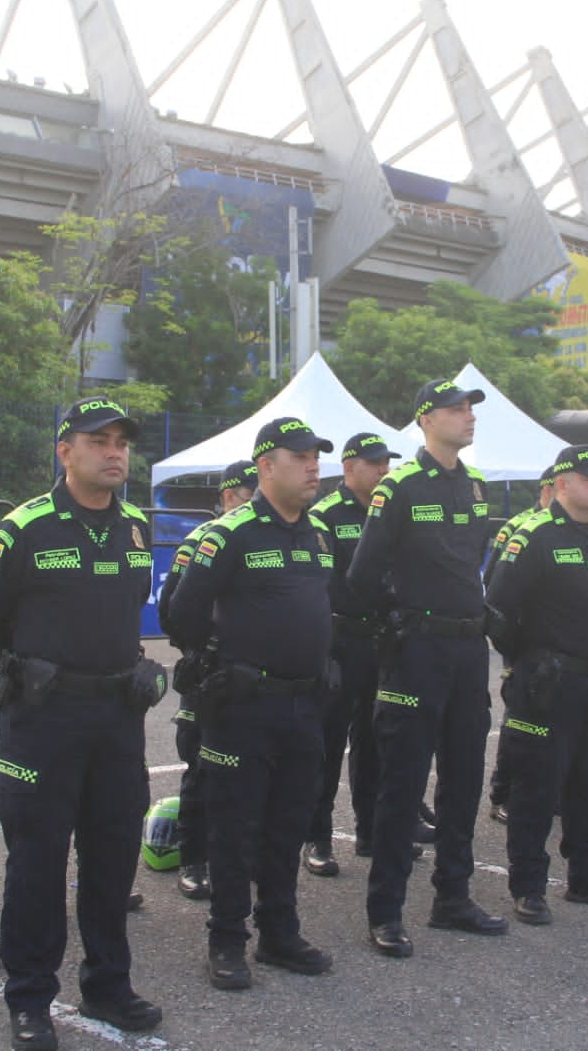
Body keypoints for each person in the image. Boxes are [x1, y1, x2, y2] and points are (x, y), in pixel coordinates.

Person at [0, 397, 162, 1048]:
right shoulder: (22, 529)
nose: (114, 453)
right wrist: (24, 672)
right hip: (44, 720)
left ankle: (107, 985)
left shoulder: (136, 526)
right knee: (38, 862)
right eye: (98, 440)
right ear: (65, 451)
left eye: (121, 443)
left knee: (111, 859)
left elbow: (129, 609)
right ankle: (29, 998)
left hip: (116, 718)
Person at [167, 417, 336, 990]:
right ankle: (226, 941)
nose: (314, 465)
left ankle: (279, 934)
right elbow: (181, 616)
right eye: (301, 456)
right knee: (235, 827)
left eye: (316, 456)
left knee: (288, 823)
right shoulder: (230, 533)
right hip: (242, 706)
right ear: (266, 466)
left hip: (303, 704)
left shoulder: (317, 534)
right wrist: (219, 661)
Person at [348, 379, 507, 959]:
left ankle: (453, 898)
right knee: (403, 783)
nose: (468, 417)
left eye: (471, 409)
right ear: (424, 419)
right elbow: (362, 577)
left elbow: (471, 566)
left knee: (464, 777)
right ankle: (385, 910)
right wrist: (399, 626)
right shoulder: (400, 487)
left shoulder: (479, 487)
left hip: (468, 652)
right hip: (416, 653)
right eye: (456, 409)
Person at [485, 445, 588, 924]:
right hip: (550, 683)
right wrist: (531, 662)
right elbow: (499, 610)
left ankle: (586, 876)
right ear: (563, 482)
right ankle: (527, 885)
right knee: (536, 787)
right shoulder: (533, 536)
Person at [158, 459, 256, 900]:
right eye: (249, 491)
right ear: (229, 497)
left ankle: (237, 856)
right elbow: (173, 612)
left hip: (255, 680)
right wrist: (205, 654)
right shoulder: (201, 540)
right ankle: (192, 859)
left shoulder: (269, 534)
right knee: (201, 769)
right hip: (210, 676)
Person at [308, 433, 400, 873]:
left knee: (375, 743)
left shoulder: (389, 513)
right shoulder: (325, 515)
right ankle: (317, 838)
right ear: (349, 468)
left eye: (387, 463)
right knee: (326, 744)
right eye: (375, 462)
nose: (384, 470)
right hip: (340, 642)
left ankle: (369, 832)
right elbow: (316, 591)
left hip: (380, 642)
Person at [481, 466, 554, 825]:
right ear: (546, 490)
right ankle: (503, 792)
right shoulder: (519, 527)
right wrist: (512, 644)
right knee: (520, 721)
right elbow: (496, 587)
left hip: (562, 652)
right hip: (524, 645)